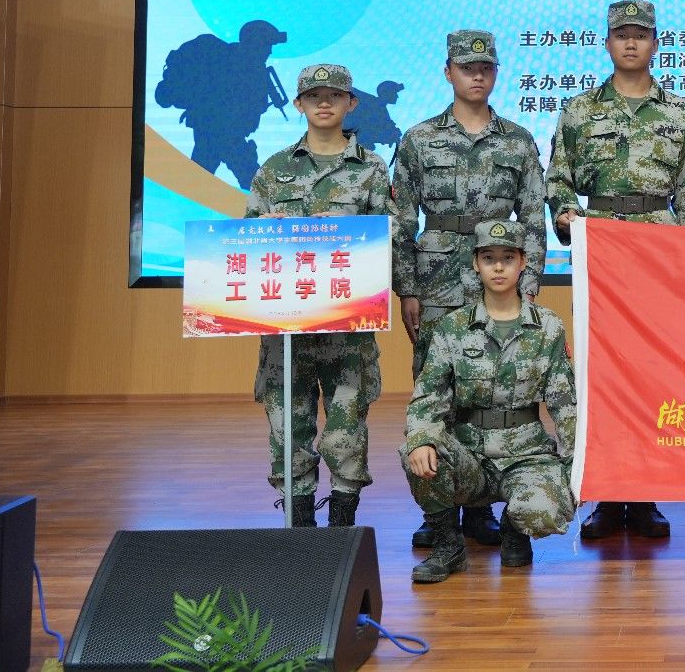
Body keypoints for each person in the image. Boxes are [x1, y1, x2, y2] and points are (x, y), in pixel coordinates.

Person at [547, 0, 685, 541]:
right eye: (622, 35)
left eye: (641, 35)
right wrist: (566, 215)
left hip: (657, 250)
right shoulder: (579, 110)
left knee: (651, 373)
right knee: (601, 373)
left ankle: (644, 494)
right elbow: (558, 178)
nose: (631, 43)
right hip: (601, 250)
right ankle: (607, 493)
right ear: (608, 44)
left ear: (656, 44)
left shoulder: (678, 111)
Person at [392, 29, 547, 549]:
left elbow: (533, 218)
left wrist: (528, 284)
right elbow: (400, 219)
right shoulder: (418, 139)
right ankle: (438, 511)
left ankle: (480, 508)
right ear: (448, 72)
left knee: (491, 388)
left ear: (496, 72)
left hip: (498, 279)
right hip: (436, 283)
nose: (476, 75)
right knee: (435, 389)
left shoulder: (518, 140)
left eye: (485, 67)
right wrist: (407, 288)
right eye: (466, 67)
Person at [245, 63, 391, 527]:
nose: (324, 103)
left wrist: (357, 232)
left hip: (347, 326)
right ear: (299, 104)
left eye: (334, 95)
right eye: (313, 96)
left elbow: (393, 235)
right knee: (287, 425)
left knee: (347, 427)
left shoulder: (371, 168)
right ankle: (299, 528)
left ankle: (343, 526)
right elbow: (245, 243)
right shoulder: (274, 170)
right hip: (286, 331)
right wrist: (262, 230)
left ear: (352, 103)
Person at [403, 219, 577, 583]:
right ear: (475, 264)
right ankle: (448, 545)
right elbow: (428, 395)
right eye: (489, 258)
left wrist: (577, 464)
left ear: (523, 262)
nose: (498, 267)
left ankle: (516, 526)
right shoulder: (453, 327)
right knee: (415, 450)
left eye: (507, 258)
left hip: (527, 454)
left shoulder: (548, 326)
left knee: (543, 511)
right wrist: (421, 439)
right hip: (470, 456)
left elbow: (564, 402)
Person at [156, 19, 290, 186]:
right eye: (267, 46)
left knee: (200, 181)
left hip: (222, 135)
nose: (269, 51)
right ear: (256, 45)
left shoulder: (247, 66)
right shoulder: (231, 64)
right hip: (222, 135)